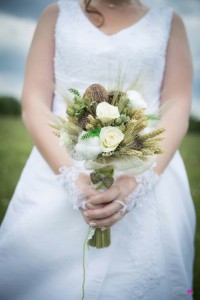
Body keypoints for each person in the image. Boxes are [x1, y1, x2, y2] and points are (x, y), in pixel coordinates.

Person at [0, 0, 196, 299]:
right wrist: (71, 177)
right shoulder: (56, 14)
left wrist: (139, 182)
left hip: (149, 167)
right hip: (59, 164)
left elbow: (178, 107)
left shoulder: (169, 23)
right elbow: (34, 102)